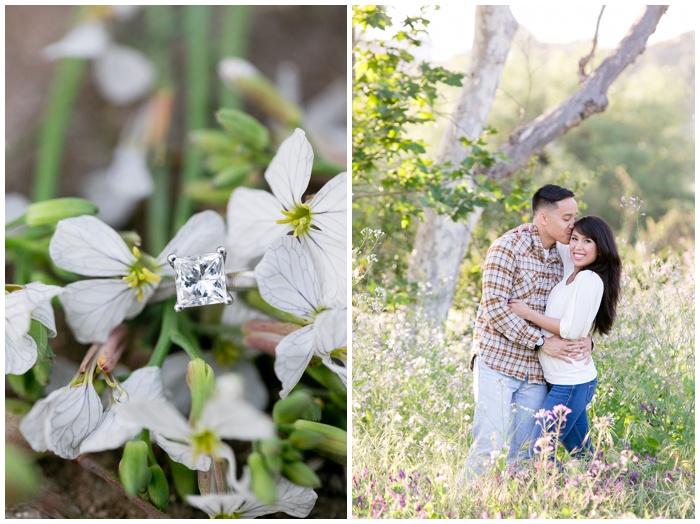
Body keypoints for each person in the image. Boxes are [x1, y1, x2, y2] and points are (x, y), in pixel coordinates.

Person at [464, 184, 593, 479]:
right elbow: (495, 308)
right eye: (566, 218)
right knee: (488, 446)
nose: (573, 224)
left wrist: (587, 339)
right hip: (497, 362)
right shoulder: (507, 247)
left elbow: (575, 306)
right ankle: (462, 509)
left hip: (536, 373)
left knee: (523, 455)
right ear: (543, 218)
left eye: (575, 216)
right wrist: (540, 342)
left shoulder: (566, 255)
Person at [507, 215, 621, 458]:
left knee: (540, 450)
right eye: (575, 239)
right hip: (564, 381)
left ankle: (558, 494)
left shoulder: (589, 279)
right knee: (581, 452)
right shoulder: (574, 271)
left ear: (600, 247)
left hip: (571, 384)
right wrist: (530, 226)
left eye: (587, 241)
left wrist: (528, 313)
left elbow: (569, 329)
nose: (578, 247)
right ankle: (611, 491)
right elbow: (556, 237)